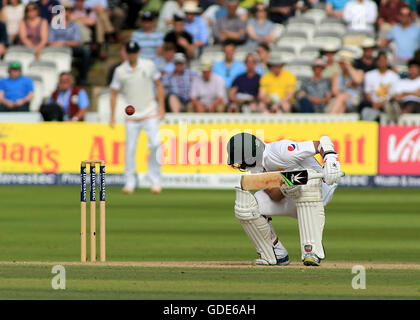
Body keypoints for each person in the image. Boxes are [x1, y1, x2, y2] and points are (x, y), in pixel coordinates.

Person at [226, 132, 342, 266]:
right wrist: (285, 184)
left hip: (320, 188)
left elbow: (321, 142)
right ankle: (276, 254)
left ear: (252, 154)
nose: (240, 164)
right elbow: (275, 196)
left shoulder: (281, 151)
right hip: (292, 194)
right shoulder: (257, 168)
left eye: (242, 160)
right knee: (248, 206)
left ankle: (312, 250)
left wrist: (330, 161)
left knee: (305, 183)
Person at [110, 40, 165, 195]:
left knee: (155, 144)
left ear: (138, 52)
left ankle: (155, 180)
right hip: (132, 116)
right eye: (130, 52)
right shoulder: (120, 71)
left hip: (150, 112)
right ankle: (129, 182)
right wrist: (112, 116)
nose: (132, 55)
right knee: (130, 149)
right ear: (126, 53)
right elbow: (113, 93)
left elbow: (159, 84)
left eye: (134, 52)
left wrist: (161, 106)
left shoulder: (148, 65)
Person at [48, 1, 91, 85]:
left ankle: (82, 78)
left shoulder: (74, 25)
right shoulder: (54, 23)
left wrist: (63, 43)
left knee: (86, 51)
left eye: (68, 11)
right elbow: (50, 42)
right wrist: (61, 44)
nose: (66, 13)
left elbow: (77, 42)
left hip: (69, 47)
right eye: (64, 11)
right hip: (56, 48)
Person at [359, 51, 400, 120]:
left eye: (384, 60)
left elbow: (395, 94)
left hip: (388, 103)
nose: (382, 62)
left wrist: (383, 102)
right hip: (372, 104)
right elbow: (367, 93)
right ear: (376, 62)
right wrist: (374, 104)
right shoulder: (369, 75)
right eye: (380, 60)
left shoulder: (394, 76)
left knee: (391, 106)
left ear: (387, 61)